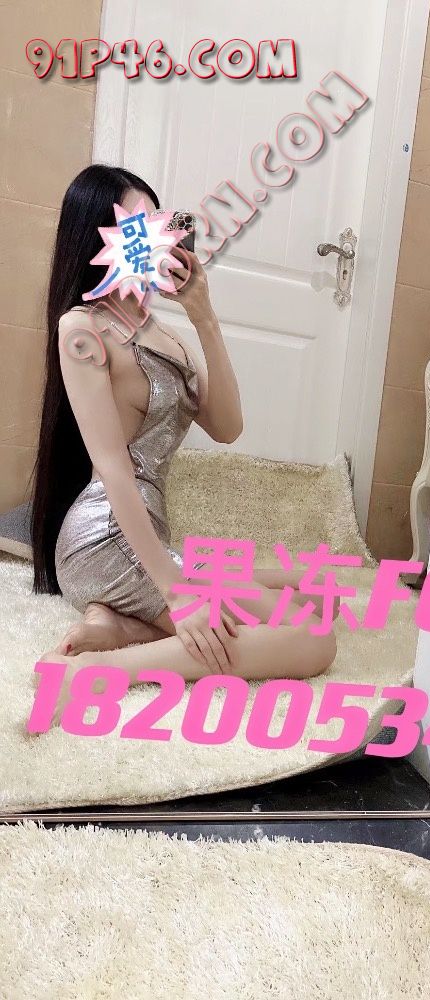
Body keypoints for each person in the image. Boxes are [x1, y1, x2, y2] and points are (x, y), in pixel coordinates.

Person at [30, 165, 336, 717]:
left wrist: (204, 314)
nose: (158, 239)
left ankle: (120, 627)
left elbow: (228, 427)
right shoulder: (82, 328)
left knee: (314, 592)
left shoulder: (165, 334)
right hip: (107, 538)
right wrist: (177, 591)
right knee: (313, 639)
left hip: (150, 537)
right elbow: (113, 468)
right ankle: (95, 673)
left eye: (159, 223)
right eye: (137, 226)